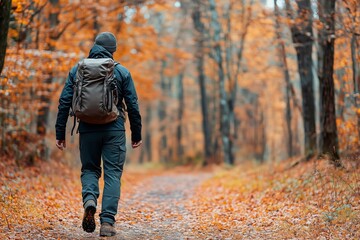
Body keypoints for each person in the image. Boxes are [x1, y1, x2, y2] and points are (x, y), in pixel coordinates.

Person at [55, 32, 142, 237]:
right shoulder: (121, 71)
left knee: (90, 170)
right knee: (112, 174)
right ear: (113, 50)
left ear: (94, 47)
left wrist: (61, 133)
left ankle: (90, 200)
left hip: (87, 129)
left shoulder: (78, 70)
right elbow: (133, 105)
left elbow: (64, 102)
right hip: (114, 130)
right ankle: (108, 223)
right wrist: (136, 133)